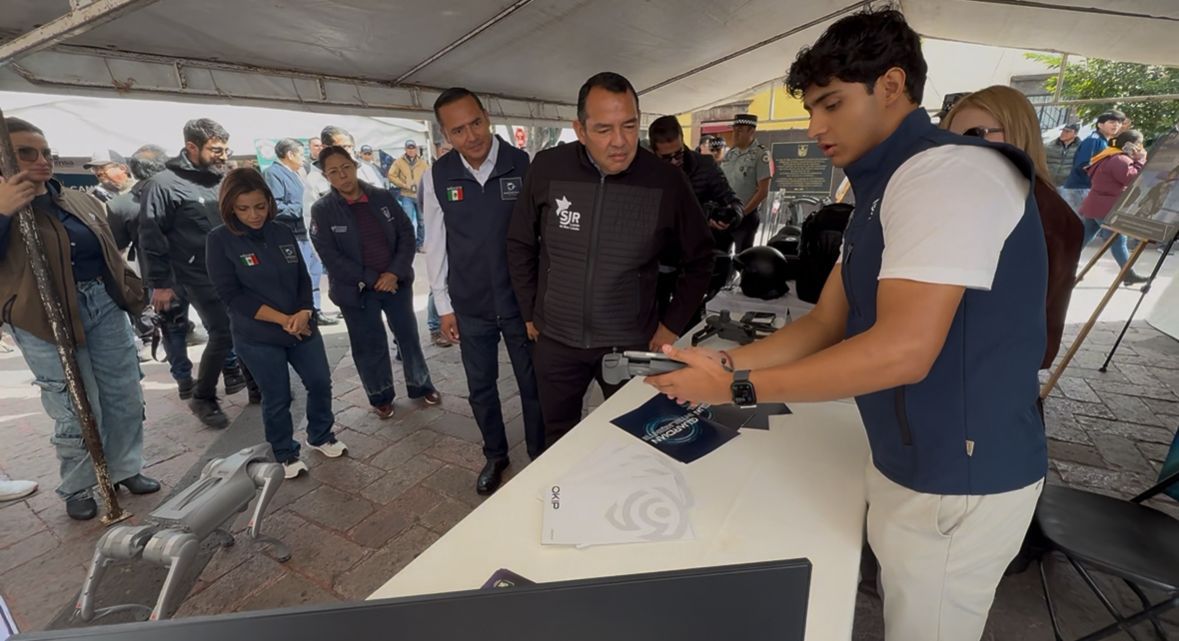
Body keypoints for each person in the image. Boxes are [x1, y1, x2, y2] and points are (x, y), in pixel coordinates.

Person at [646, 11, 1047, 640]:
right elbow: (828, 321)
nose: (815, 127)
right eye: (811, 108)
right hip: (907, 458)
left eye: (831, 104)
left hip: (957, 474)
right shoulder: (882, 189)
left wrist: (737, 389)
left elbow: (902, 351)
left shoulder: (948, 174)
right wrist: (727, 361)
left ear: (891, 86)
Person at [506, 72, 713, 448]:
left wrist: (671, 325)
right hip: (556, 342)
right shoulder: (548, 167)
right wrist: (530, 310)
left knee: (638, 440)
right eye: (603, 129)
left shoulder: (665, 180)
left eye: (629, 126)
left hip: (630, 342)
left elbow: (700, 259)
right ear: (580, 130)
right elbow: (520, 243)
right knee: (558, 440)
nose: (619, 141)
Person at [0, 117, 159, 520]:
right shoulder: (5, 206)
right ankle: (80, 483)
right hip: (41, 315)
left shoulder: (78, 199)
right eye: (25, 153)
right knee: (74, 404)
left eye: (45, 152)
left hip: (101, 303)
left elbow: (110, 253)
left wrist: (131, 294)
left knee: (123, 391)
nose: (41, 160)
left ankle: (125, 467)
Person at [423, 87, 545, 493]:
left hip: (520, 303)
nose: (471, 136)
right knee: (480, 387)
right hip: (470, 303)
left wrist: (539, 300)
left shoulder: (522, 164)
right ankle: (495, 455)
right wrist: (443, 305)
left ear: (487, 116)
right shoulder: (437, 176)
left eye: (476, 123)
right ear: (445, 134)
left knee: (533, 383)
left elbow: (540, 235)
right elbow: (435, 242)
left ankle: (541, 454)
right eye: (458, 130)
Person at [207, 169, 345, 479]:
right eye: (243, 208)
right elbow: (232, 296)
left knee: (319, 382)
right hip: (258, 334)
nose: (254, 215)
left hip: (301, 326)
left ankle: (321, 435)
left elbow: (302, 277)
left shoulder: (281, 231)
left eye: (260, 206)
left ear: (269, 202)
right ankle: (285, 452)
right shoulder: (219, 240)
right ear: (230, 207)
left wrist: (305, 310)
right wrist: (283, 319)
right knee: (277, 395)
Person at [942, 85, 1084, 370]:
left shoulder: (1042, 208)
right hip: (964, 360)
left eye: (976, 134)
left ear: (1018, 131)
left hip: (992, 367)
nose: (960, 146)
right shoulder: (976, 194)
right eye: (948, 137)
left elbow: (1041, 310)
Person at [310, 146, 442, 419]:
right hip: (356, 291)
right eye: (333, 172)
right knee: (369, 345)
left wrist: (394, 273)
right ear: (326, 176)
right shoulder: (323, 210)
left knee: (408, 337)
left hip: (396, 284)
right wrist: (372, 279)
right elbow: (330, 256)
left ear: (355, 165)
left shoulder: (381, 196)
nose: (342, 175)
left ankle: (421, 384)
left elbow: (406, 233)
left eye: (346, 167)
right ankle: (380, 395)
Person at [139, 118, 254, 427]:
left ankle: (254, 384)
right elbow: (150, 235)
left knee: (245, 324)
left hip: (234, 268)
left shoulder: (221, 179)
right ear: (192, 147)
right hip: (195, 274)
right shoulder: (163, 184)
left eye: (226, 150)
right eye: (216, 150)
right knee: (223, 332)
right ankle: (203, 397)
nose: (223, 155)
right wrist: (160, 284)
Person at [648, 114, 743, 319]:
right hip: (660, 258)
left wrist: (728, 216)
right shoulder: (647, 171)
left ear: (683, 141)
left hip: (695, 257)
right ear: (654, 152)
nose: (675, 161)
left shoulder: (705, 166)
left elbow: (734, 202)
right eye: (667, 158)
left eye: (679, 154)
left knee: (691, 317)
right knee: (656, 316)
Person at [264, 138, 337, 326]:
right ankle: (308, 311)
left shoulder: (300, 172)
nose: (304, 158)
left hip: (308, 230)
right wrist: (304, 208)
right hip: (293, 233)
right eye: (300, 153)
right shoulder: (274, 174)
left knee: (315, 272)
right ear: (290, 154)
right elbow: (275, 206)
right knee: (303, 275)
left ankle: (317, 309)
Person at [390, 139, 448, 347]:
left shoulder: (424, 165)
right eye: (445, 150)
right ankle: (435, 326)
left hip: (458, 240)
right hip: (412, 201)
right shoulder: (431, 173)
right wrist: (406, 186)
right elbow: (425, 204)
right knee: (438, 282)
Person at [1079, 129, 1150, 286]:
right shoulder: (1120, 159)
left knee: (1083, 238)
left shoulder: (1110, 154)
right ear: (1130, 144)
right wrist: (1141, 160)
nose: (1141, 147)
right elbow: (1132, 179)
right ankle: (1128, 274)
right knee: (1118, 240)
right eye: (1139, 143)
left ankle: (1064, 266)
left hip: (1097, 204)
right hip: (1107, 207)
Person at [720, 114, 772, 253]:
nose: (735, 134)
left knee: (743, 257)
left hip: (746, 216)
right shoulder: (730, 154)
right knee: (720, 256)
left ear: (751, 131)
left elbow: (763, 191)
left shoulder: (761, 154)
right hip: (726, 215)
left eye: (740, 130)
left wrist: (742, 213)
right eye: (734, 130)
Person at [1060, 110, 1126, 212]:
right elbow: (1084, 165)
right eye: (1112, 122)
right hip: (1080, 188)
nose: (1116, 125)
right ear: (1100, 125)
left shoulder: (1104, 142)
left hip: (1086, 188)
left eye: (1119, 122)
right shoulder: (1094, 141)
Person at [321, 125, 387, 188]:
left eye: (350, 146)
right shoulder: (317, 176)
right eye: (343, 147)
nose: (348, 151)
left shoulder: (365, 169)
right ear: (326, 148)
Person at [1046, 123, 1081, 190]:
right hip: (1048, 183)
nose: (1063, 133)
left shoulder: (1081, 148)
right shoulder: (1049, 146)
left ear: (1075, 134)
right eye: (1063, 130)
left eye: (1067, 131)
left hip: (1066, 187)